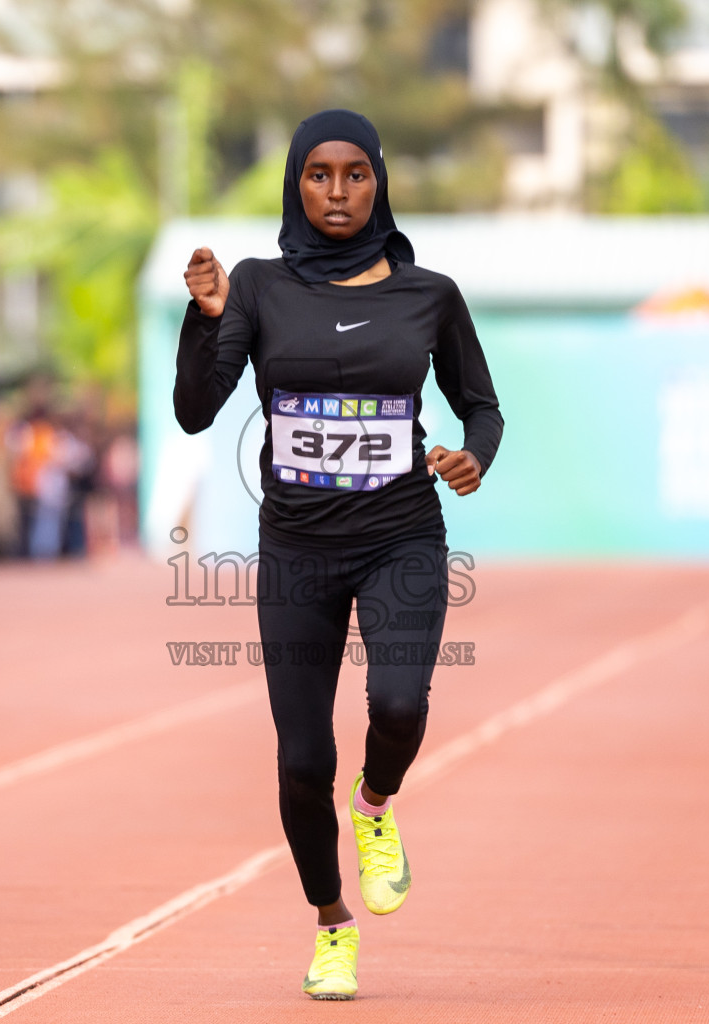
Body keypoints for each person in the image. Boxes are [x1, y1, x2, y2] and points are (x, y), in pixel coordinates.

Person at [176, 110, 502, 999]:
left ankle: (376, 805)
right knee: (298, 761)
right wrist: (204, 321)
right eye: (318, 175)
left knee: (398, 703)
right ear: (295, 182)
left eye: (355, 174)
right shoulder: (257, 285)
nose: (336, 192)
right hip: (296, 551)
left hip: (401, 534)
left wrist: (476, 453)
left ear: (379, 181)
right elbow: (198, 410)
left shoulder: (428, 294)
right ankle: (330, 925)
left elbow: (482, 405)